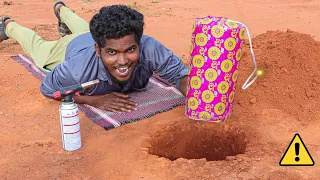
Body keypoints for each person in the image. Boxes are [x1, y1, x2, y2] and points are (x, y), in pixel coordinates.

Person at [0, 1, 188, 112]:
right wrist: (93, 100)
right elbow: (49, 89)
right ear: (98, 50)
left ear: (139, 44)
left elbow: (181, 76)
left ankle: (61, 10)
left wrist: (199, 101)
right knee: (38, 48)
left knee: (85, 29)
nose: (122, 62)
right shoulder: (77, 68)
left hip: (92, 37)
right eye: (112, 53)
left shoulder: (150, 48)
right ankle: (8, 26)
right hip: (70, 47)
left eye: (130, 50)